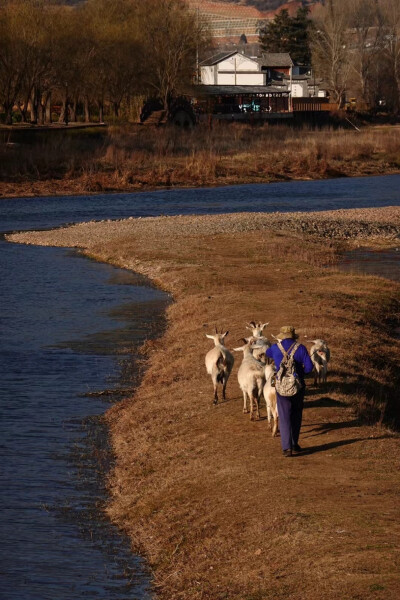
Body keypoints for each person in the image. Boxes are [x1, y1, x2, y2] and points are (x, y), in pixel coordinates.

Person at [266, 326, 313, 457]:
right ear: (293, 336)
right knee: (296, 415)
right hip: (297, 387)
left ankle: (286, 448)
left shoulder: (275, 348)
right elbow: (309, 368)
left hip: (280, 387)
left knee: (284, 416)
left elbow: (267, 353)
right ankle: (294, 443)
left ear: (282, 336)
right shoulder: (301, 348)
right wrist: (299, 373)